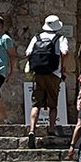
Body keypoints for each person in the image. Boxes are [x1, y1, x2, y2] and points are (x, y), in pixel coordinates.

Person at [25, 15, 68, 146]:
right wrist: (63, 67)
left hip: (38, 73)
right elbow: (65, 52)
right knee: (53, 103)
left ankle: (32, 129)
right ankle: (51, 129)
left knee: (36, 103)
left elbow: (28, 53)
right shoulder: (60, 38)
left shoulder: (36, 37)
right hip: (53, 73)